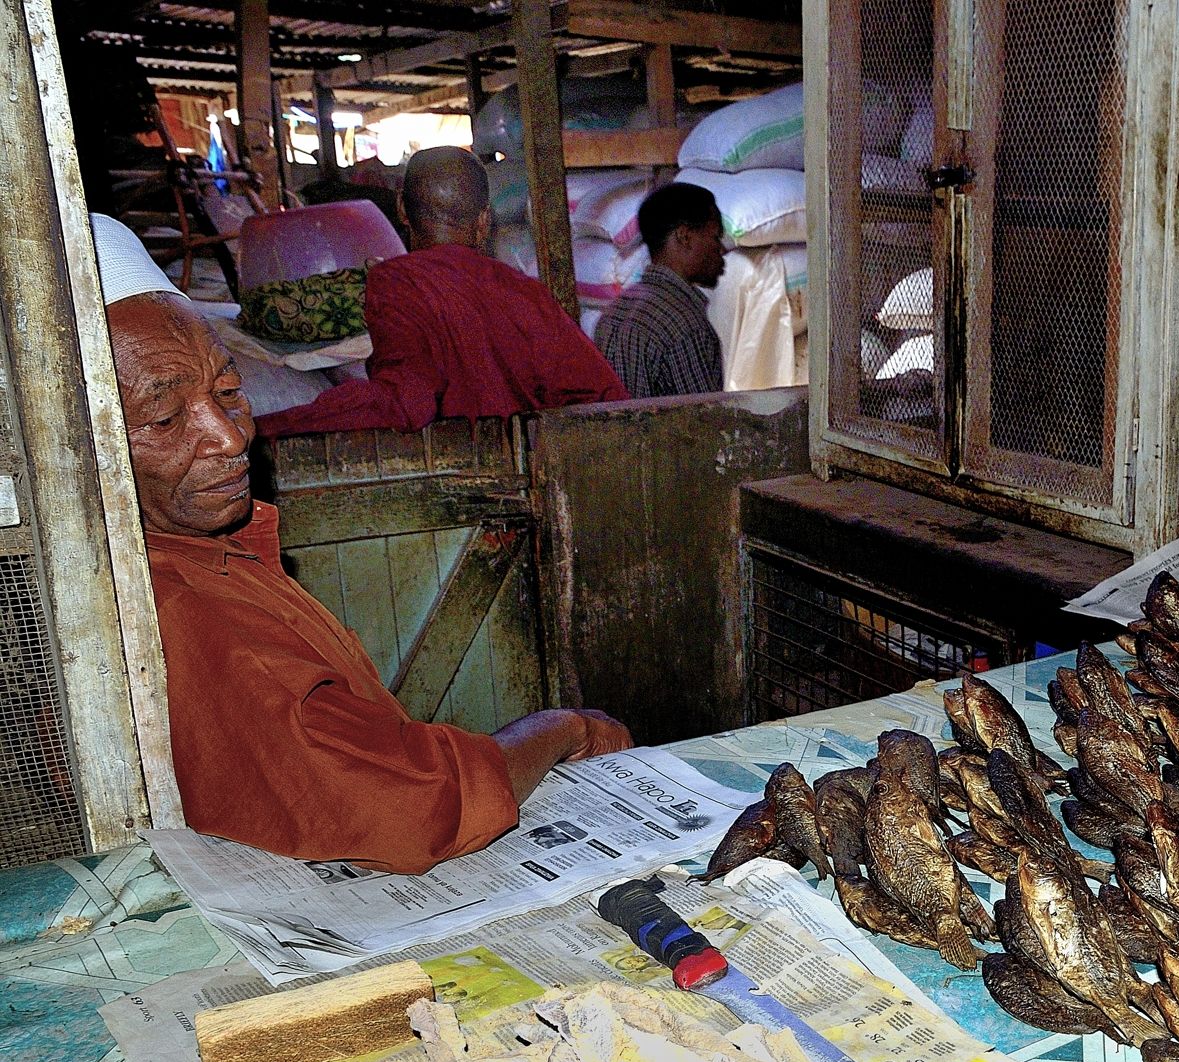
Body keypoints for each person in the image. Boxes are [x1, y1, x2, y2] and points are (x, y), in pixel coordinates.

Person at [90, 214, 632, 873]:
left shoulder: (218, 553)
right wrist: (562, 727)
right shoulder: (176, 611)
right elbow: (408, 805)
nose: (230, 439)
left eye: (231, 392)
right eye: (168, 417)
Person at [257, 147, 625, 439]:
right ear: (484, 221)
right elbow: (604, 397)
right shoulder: (527, 292)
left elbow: (406, 401)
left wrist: (269, 428)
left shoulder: (395, 282)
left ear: (401, 208)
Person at [592, 182, 727, 399]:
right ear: (684, 237)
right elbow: (705, 425)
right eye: (715, 236)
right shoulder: (687, 327)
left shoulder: (612, 314)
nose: (721, 249)